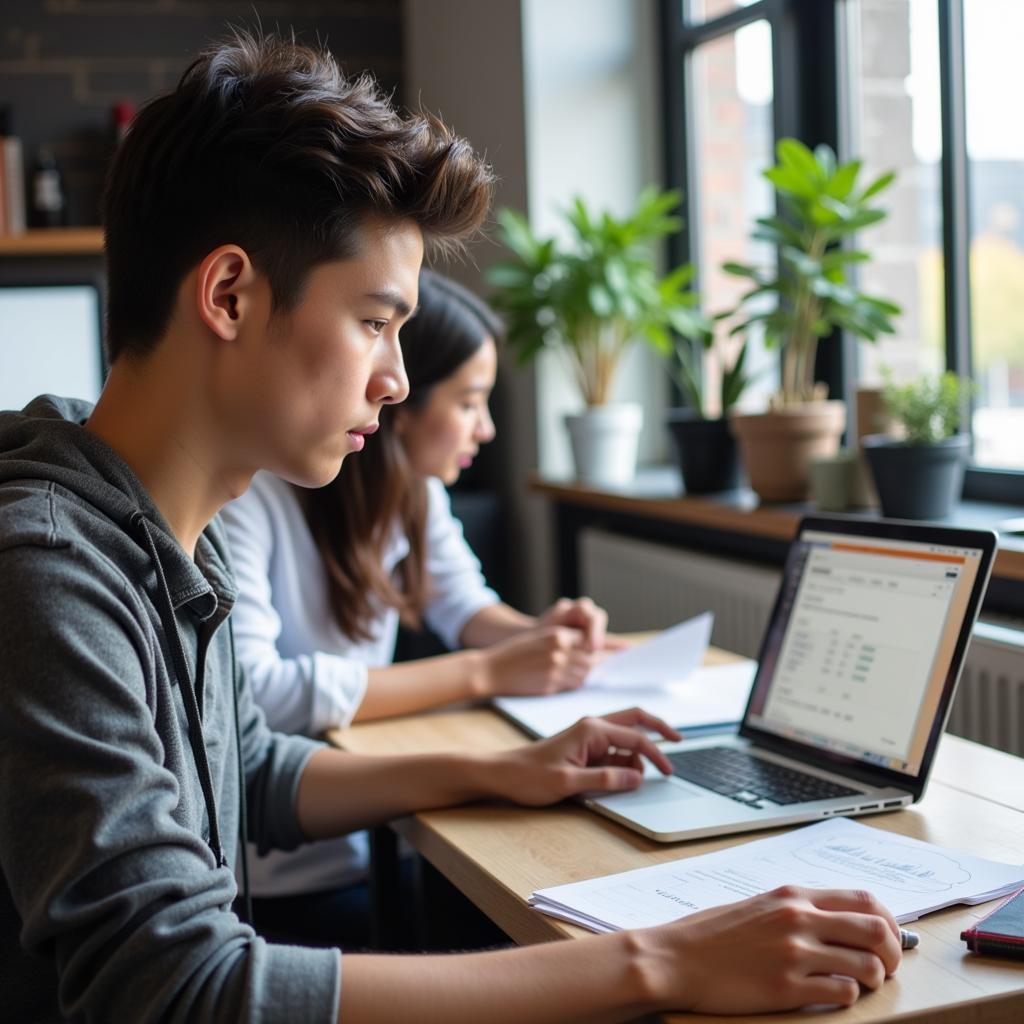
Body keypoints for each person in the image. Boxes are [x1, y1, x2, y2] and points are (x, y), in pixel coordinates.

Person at [0, 30, 902, 1024]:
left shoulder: (168, 520)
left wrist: (503, 768)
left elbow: (245, 763)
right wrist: (653, 963)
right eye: (374, 322)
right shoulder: (50, 572)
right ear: (228, 295)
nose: (395, 378)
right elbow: (176, 985)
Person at [220, 269, 625, 942]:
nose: (486, 429)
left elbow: (463, 605)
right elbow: (254, 697)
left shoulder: (411, 489)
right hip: (282, 879)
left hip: (367, 837)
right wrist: (485, 672)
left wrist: (543, 637)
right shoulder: (254, 497)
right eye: (469, 403)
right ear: (400, 411)